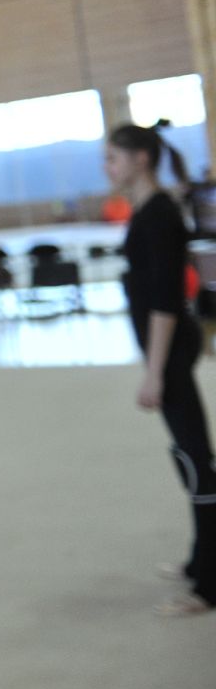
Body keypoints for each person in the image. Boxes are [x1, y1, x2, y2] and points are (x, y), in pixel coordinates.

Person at [104, 123, 216, 618]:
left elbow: (167, 300)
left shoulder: (159, 215)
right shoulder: (149, 211)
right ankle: (200, 561)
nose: (107, 168)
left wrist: (154, 371)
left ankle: (209, 585)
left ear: (140, 159)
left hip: (169, 349)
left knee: (197, 462)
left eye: (113, 158)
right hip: (165, 349)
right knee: (188, 456)